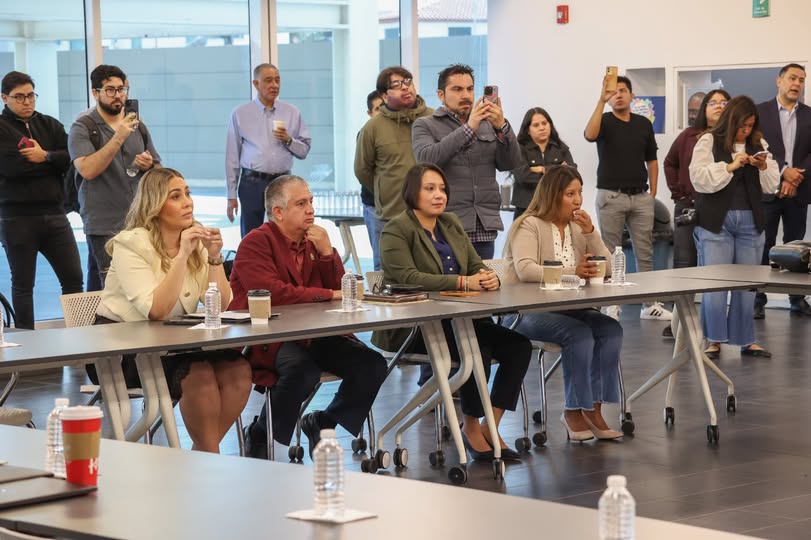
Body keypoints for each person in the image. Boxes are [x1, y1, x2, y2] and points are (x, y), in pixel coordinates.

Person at [372, 163, 532, 462]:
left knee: (519, 346)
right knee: (476, 350)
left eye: (442, 189)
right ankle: (470, 426)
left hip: (462, 319)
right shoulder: (396, 228)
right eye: (430, 189)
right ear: (412, 192)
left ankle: (490, 424)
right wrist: (461, 282)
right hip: (416, 327)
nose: (439, 195)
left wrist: (488, 277)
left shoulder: (450, 223)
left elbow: (474, 264)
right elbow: (405, 277)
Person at [229, 175, 387, 459]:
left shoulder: (314, 241)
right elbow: (273, 292)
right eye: (301, 204)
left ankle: (323, 422)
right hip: (270, 337)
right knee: (302, 372)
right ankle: (261, 434)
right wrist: (327, 294)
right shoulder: (255, 243)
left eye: (311, 202)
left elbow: (343, 290)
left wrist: (328, 253)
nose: (311, 210)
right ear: (278, 212)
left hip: (316, 333)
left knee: (372, 364)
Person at [95, 167, 252, 453]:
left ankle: (203, 456)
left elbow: (221, 305)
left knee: (238, 370)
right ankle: (210, 458)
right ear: (155, 205)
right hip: (123, 349)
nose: (188, 202)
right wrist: (182, 256)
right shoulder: (131, 243)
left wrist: (214, 258)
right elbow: (157, 310)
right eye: (176, 196)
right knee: (200, 376)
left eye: (188, 194)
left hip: (175, 342)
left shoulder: (194, 241)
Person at [503, 165, 623, 442]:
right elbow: (526, 270)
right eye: (570, 194)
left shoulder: (578, 228)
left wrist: (591, 232)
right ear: (552, 195)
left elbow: (607, 267)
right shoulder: (528, 224)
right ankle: (573, 411)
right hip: (525, 312)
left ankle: (593, 409)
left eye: (580, 192)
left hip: (569, 308)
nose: (578, 200)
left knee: (610, 329)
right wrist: (573, 272)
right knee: (578, 334)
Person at [689, 95, 780, 359]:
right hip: (716, 221)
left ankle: (745, 339)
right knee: (715, 284)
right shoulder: (708, 140)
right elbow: (698, 178)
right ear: (731, 121)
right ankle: (714, 340)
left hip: (751, 221)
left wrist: (762, 166)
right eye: (742, 125)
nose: (746, 131)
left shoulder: (759, 144)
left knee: (747, 285)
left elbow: (771, 185)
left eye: (750, 125)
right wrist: (730, 166)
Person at [584, 73, 671, 321]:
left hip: (640, 196)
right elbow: (589, 135)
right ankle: (611, 305)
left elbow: (652, 160)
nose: (618, 95)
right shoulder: (604, 120)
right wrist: (601, 101)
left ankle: (649, 304)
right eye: (614, 92)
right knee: (609, 253)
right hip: (611, 196)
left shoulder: (643, 123)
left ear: (632, 95)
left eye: (623, 90)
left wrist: (653, 192)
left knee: (645, 253)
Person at [0, 71, 83, 328]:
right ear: (4, 98)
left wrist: (44, 156)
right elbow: (10, 167)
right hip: (17, 218)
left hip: (56, 215)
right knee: (23, 285)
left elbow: (70, 159)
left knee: (74, 279)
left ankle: (81, 337)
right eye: (20, 97)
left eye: (31, 95)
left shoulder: (50, 124)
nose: (27, 101)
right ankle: (27, 344)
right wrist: (51, 163)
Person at [412, 64, 520, 259]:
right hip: (446, 224)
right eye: (457, 89)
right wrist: (469, 128)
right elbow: (426, 159)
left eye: (470, 89)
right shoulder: (425, 124)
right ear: (441, 95)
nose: (466, 95)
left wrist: (502, 127)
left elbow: (510, 162)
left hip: (483, 222)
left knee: (484, 278)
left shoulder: (488, 124)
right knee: (452, 278)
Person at [68, 64, 161, 288]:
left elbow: (159, 169)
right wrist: (118, 136)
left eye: (121, 89)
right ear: (95, 93)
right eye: (110, 90)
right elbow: (87, 169)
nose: (118, 95)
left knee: (143, 281)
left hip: (140, 220)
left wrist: (149, 165)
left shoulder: (137, 125)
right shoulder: (83, 127)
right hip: (104, 223)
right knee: (114, 286)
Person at [355, 67, 432, 270]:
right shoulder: (373, 127)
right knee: (389, 274)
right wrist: (385, 191)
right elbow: (362, 170)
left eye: (407, 81)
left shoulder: (433, 119)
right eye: (396, 85)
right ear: (383, 95)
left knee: (432, 273)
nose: (405, 87)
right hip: (391, 215)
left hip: (431, 216)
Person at [226, 63, 312, 237]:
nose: (274, 85)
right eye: (268, 80)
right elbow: (232, 157)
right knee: (252, 235)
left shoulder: (292, 112)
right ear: (256, 84)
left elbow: (304, 151)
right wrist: (231, 195)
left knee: (284, 233)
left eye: (277, 80)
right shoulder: (241, 113)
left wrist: (288, 140)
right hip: (252, 182)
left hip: (283, 182)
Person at [754, 63, 811, 318]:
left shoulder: (809, 115)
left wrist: (794, 177)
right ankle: (757, 298)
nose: (797, 83)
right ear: (779, 81)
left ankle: (796, 298)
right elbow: (756, 146)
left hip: (799, 189)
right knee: (763, 244)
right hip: (767, 190)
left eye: (801, 80)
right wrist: (783, 171)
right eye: (792, 78)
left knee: (796, 246)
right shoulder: (759, 112)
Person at [665, 90, 731, 270]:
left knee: (715, 265)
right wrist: (678, 192)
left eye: (724, 103)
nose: (718, 106)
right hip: (689, 205)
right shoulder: (688, 135)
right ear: (705, 109)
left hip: (720, 207)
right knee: (684, 262)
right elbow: (670, 163)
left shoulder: (734, 137)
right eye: (713, 103)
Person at [511, 107, 576, 219]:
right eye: (536, 125)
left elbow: (571, 174)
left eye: (544, 123)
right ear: (528, 130)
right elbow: (523, 177)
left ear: (550, 125)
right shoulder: (518, 149)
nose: (542, 128)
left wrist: (543, 169)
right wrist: (557, 172)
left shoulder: (560, 148)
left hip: (555, 207)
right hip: (526, 208)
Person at [358, 90, 384, 268]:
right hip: (375, 205)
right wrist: (382, 193)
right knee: (381, 260)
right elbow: (362, 171)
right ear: (370, 113)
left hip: (399, 205)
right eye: (378, 109)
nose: (383, 112)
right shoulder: (366, 133)